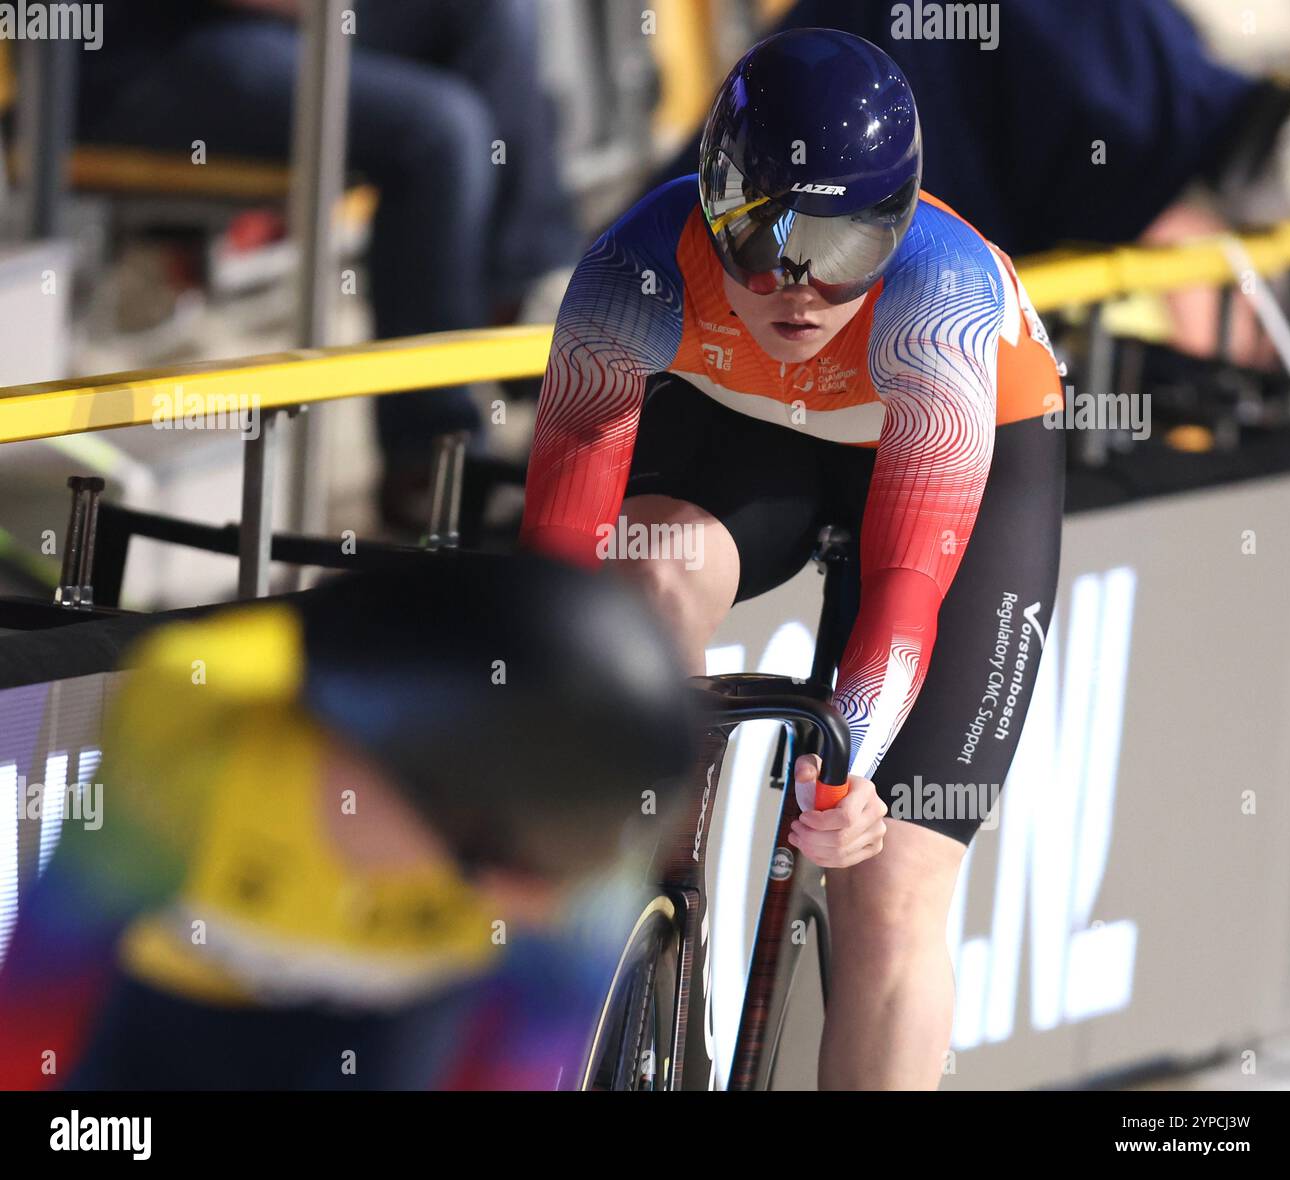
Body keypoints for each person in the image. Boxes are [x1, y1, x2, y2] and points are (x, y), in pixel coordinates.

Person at [520, 30, 1066, 1090]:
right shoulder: (632, 264)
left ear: (899, 231)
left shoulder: (940, 299)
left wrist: (846, 765)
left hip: (947, 469)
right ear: (709, 199)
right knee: (647, 578)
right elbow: (560, 549)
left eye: (847, 245)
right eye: (761, 232)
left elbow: (908, 580)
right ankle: (642, 871)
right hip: (751, 434)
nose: (799, 283)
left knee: (893, 880)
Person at [0, 553, 695, 1090]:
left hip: (392, 1021)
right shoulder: (205, 716)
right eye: (475, 871)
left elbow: (522, 1051)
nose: (515, 907)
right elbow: (48, 978)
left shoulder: (581, 847)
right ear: (359, 758)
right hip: (173, 1005)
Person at [76, 1, 579, 529]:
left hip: (265, 25)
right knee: (442, 131)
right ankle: (432, 463)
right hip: (137, 52)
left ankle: (524, 294)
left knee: (494, 12)